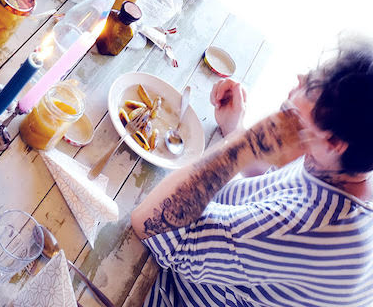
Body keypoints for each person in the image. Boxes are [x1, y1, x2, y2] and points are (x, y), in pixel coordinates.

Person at [132, 34, 373, 307]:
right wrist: (236, 128)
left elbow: (151, 226)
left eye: (315, 87)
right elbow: (274, 188)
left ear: (334, 142)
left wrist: (243, 145)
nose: (300, 77)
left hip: (163, 289)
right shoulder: (346, 168)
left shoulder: (305, 226)